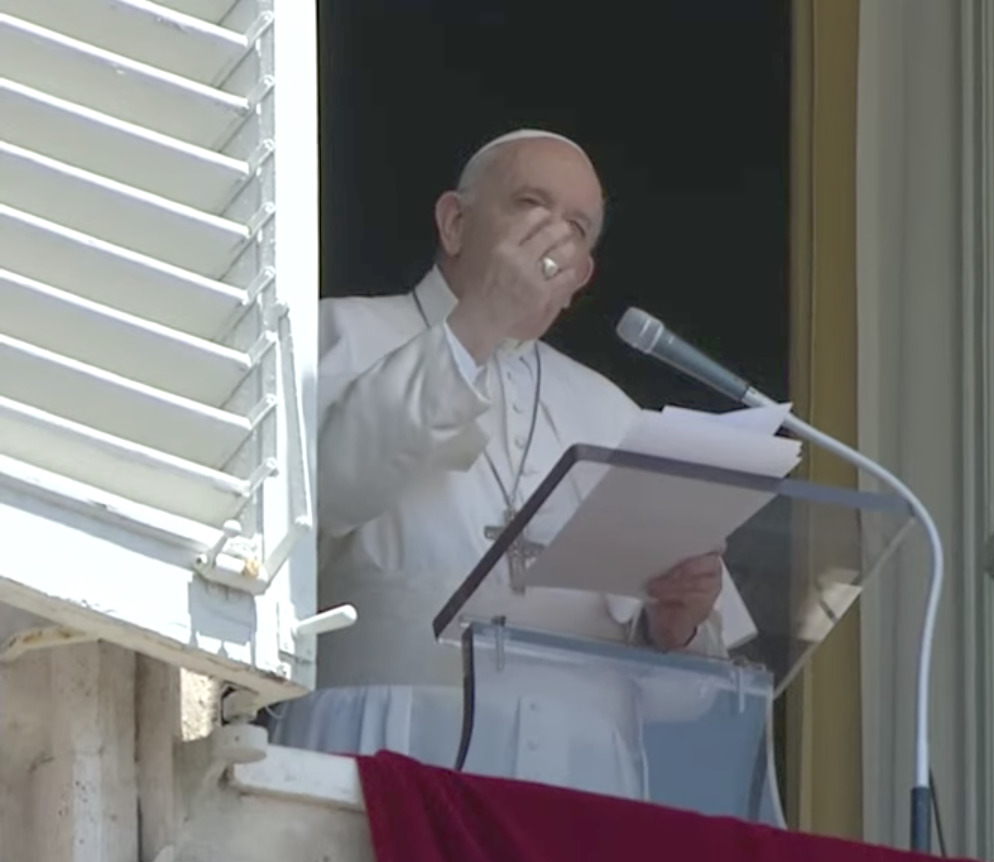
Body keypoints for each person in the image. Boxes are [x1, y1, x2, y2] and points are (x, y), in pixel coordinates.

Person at [271, 129, 776, 819]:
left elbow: (686, 702)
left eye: (577, 228)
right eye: (531, 205)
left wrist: (676, 628)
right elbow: (323, 494)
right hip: (382, 749)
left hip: (579, 784)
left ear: (582, 277)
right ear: (455, 222)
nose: (554, 238)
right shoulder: (336, 335)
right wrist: (480, 320)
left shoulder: (613, 412)